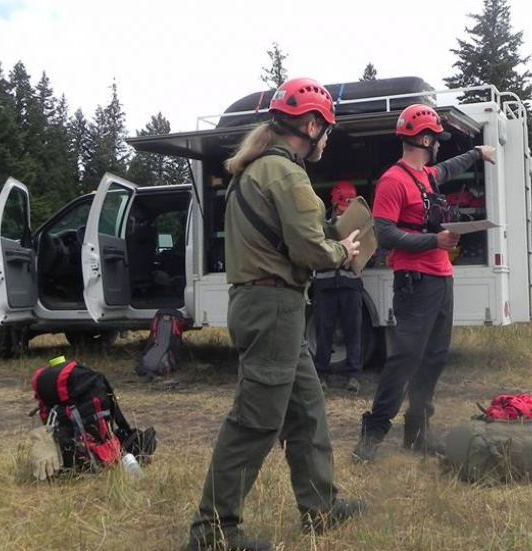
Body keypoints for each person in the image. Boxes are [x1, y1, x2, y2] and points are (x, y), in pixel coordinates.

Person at [185, 78, 365, 551]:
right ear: (309, 125)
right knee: (255, 421)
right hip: (274, 307)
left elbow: (289, 237)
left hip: (266, 304)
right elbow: (309, 249)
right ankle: (212, 532)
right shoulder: (286, 173)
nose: (326, 138)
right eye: (325, 129)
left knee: (306, 411)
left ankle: (321, 508)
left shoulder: (256, 169)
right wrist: (342, 250)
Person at [353, 104, 495, 462]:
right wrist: (435, 241)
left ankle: (417, 433)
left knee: (433, 357)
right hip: (415, 282)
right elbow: (384, 233)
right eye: (436, 140)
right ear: (426, 138)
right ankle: (372, 434)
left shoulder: (426, 176)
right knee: (404, 359)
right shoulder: (393, 180)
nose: (438, 148)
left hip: (441, 278)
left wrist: (477, 153)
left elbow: (449, 168)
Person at [312, 181, 365, 393]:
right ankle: (321, 375)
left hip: (350, 284)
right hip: (325, 284)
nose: (344, 214)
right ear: (334, 205)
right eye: (342, 208)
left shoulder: (360, 229)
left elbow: (367, 252)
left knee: (353, 331)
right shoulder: (320, 227)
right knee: (323, 332)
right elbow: (313, 252)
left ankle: (353, 376)